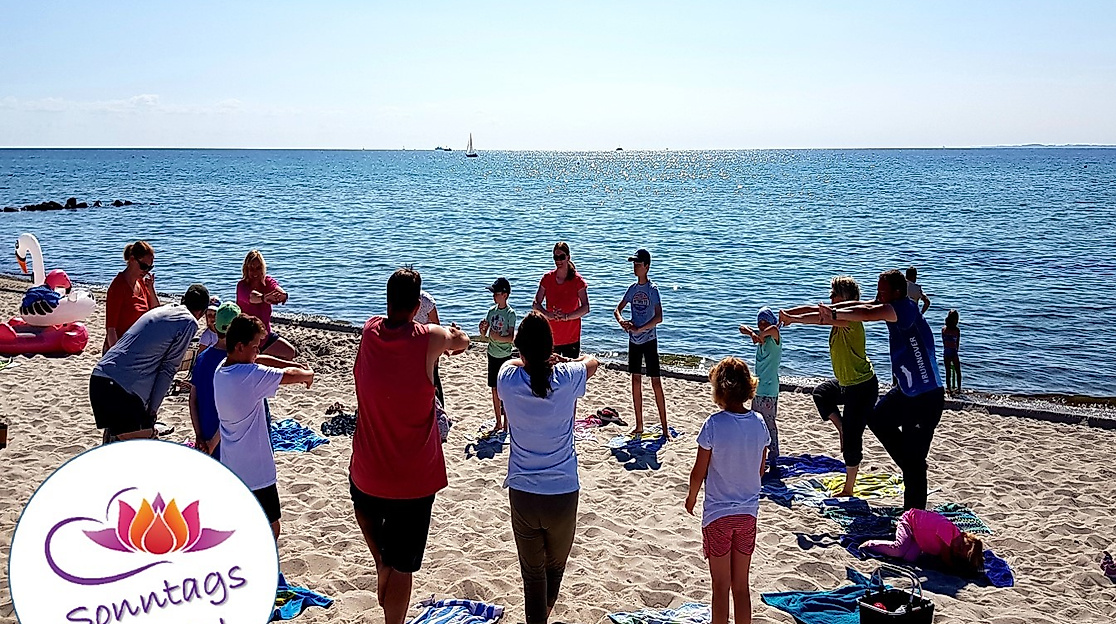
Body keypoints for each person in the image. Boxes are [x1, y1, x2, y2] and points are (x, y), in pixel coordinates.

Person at [349, 267, 470, 624]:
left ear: (388, 301)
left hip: (367, 474)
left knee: (364, 508)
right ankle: (386, 568)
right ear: (418, 307)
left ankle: (381, 560)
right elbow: (460, 342)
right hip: (413, 479)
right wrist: (455, 336)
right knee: (402, 566)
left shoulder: (369, 331)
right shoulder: (428, 337)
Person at [497, 311, 599, 624]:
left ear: (520, 348)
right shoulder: (566, 377)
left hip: (523, 493)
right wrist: (563, 361)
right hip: (562, 493)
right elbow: (593, 361)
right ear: (550, 348)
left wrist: (536, 360)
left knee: (532, 576)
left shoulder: (507, 379)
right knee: (554, 570)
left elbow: (511, 363)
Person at [819, 269, 945, 510]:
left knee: (914, 469)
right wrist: (826, 311)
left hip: (927, 397)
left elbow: (868, 313)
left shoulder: (904, 309)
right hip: (906, 392)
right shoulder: (891, 304)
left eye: (882, 291)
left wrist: (835, 313)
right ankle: (912, 463)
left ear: (897, 292)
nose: (878, 295)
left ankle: (913, 516)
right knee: (877, 418)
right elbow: (864, 305)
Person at [214, 314, 314, 540]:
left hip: (232, 467)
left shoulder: (222, 369)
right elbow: (289, 376)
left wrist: (293, 363)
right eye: (254, 346)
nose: (257, 351)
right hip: (256, 473)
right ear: (240, 346)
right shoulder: (248, 377)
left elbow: (260, 360)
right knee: (271, 527)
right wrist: (307, 374)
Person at [685, 357, 770, 624]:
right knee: (741, 586)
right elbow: (760, 469)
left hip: (718, 515)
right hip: (748, 514)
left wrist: (691, 497)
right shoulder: (759, 422)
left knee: (720, 586)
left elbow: (699, 470)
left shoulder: (713, 424)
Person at [780, 276, 879, 497]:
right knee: (821, 393)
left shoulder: (849, 320)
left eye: (835, 295)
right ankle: (841, 427)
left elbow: (819, 319)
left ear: (847, 298)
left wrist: (794, 320)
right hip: (846, 384)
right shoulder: (837, 316)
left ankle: (848, 488)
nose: (831, 298)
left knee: (853, 440)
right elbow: (813, 310)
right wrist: (787, 313)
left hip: (862, 387)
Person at [91, 283, 209, 442]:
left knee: (117, 439)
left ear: (183, 300)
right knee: (148, 438)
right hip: (120, 388)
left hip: (99, 378)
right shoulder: (189, 322)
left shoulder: (162, 310)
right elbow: (168, 369)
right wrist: (153, 411)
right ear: (202, 312)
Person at [614, 249, 668, 438]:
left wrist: (641, 328)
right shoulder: (632, 288)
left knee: (655, 382)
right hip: (634, 341)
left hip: (649, 340)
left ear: (647, 266)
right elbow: (617, 310)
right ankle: (639, 425)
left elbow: (659, 317)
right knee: (635, 380)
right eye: (634, 264)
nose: (635, 267)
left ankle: (665, 428)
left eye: (638, 264)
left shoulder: (652, 290)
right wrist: (622, 322)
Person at [860, 509, 984, 577]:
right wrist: (960, 571)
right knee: (899, 549)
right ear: (964, 535)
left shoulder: (955, 541)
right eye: (961, 546)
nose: (957, 548)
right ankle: (869, 545)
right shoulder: (949, 531)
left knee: (909, 558)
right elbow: (946, 558)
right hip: (910, 522)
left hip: (918, 539)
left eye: (959, 552)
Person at [189, 301, 240, 458]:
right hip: (227, 439)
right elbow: (233, 409)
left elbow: (192, 400)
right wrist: (213, 442)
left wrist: (198, 435)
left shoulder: (202, 358)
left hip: (205, 433)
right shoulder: (235, 362)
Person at [739, 307, 781, 472]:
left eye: (765, 322)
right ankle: (759, 455)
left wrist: (760, 335)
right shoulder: (761, 337)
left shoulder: (775, 339)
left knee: (769, 424)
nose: (762, 325)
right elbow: (742, 327)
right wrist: (752, 333)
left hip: (769, 390)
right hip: (758, 389)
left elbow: (774, 329)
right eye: (760, 323)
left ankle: (774, 456)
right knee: (757, 423)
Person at [236, 249, 297, 360]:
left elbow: (277, 288)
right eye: (251, 269)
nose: (255, 272)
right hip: (247, 339)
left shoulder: (267, 282)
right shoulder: (242, 286)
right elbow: (252, 297)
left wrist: (282, 295)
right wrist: (264, 298)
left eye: (258, 268)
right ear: (246, 269)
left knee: (290, 352)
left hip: (265, 336)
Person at [533, 242, 589, 358]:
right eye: (556, 257)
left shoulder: (577, 280)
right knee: (549, 367)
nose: (558, 260)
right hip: (551, 336)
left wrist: (566, 317)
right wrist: (547, 314)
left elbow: (585, 308)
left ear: (568, 257)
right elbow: (536, 304)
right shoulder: (547, 278)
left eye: (562, 257)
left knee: (570, 368)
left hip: (571, 336)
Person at [104, 240, 160, 352]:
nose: (146, 271)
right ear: (132, 259)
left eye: (149, 268)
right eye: (143, 266)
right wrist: (117, 354)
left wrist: (151, 289)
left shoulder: (142, 284)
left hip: (139, 347)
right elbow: (111, 330)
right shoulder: (118, 287)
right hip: (121, 348)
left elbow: (156, 312)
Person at [480, 277, 516, 435]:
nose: (494, 296)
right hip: (492, 354)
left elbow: (510, 337)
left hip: (505, 355)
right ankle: (498, 422)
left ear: (505, 295)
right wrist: (482, 330)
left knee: (505, 390)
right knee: (494, 389)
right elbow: (484, 335)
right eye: (493, 293)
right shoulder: (491, 311)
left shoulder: (510, 314)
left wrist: (497, 337)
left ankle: (507, 422)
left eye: (496, 293)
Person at [415, 289, 446, 406]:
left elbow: (436, 324)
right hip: (411, 343)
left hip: (428, 344)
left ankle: (440, 409)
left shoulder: (426, 300)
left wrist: (438, 349)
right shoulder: (400, 297)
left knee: (433, 377)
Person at [942, 309, 962, 396]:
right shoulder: (957, 330)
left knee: (948, 372)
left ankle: (949, 388)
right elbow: (957, 343)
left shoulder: (944, 329)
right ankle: (959, 388)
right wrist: (956, 350)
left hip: (946, 351)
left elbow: (944, 341)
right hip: (953, 351)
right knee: (958, 371)